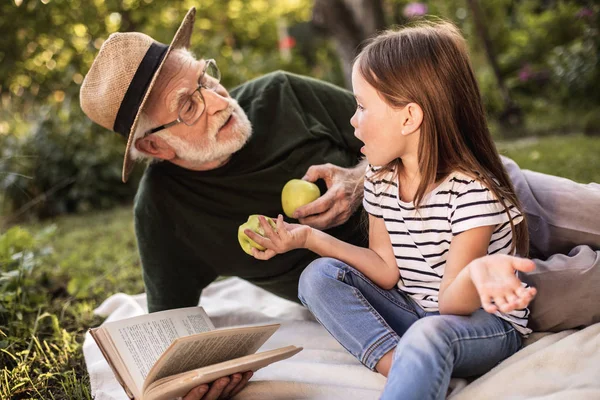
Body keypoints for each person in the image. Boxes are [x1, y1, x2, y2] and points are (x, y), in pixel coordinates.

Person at [79, 7, 600, 400]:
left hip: (473, 198)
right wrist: (195, 381)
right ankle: (415, 364)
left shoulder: (283, 93)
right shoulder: (165, 214)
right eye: (189, 104)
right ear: (155, 146)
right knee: (578, 290)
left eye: (205, 78)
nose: (218, 100)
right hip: (422, 287)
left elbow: (393, 123)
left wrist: (356, 181)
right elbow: (171, 326)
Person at [242, 21, 540, 399]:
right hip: (418, 314)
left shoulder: (472, 192)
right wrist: (307, 238)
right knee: (316, 277)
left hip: (482, 326)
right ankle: (407, 365)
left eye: (362, 106)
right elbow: (385, 270)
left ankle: (417, 366)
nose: (352, 120)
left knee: (430, 333)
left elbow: (452, 302)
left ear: (409, 117)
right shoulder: (380, 181)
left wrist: (479, 272)